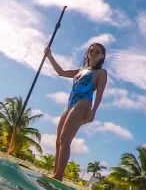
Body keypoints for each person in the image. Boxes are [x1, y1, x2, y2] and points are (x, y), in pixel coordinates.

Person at [44, 43, 107, 181]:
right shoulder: (81, 70)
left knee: (65, 139)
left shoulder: (101, 73)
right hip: (70, 103)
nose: (93, 53)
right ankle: (55, 173)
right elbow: (61, 72)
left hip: (83, 103)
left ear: (102, 56)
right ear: (88, 53)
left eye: (97, 52)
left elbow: (99, 94)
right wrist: (49, 56)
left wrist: (93, 111)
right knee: (59, 141)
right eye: (91, 51)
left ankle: (58, 176)